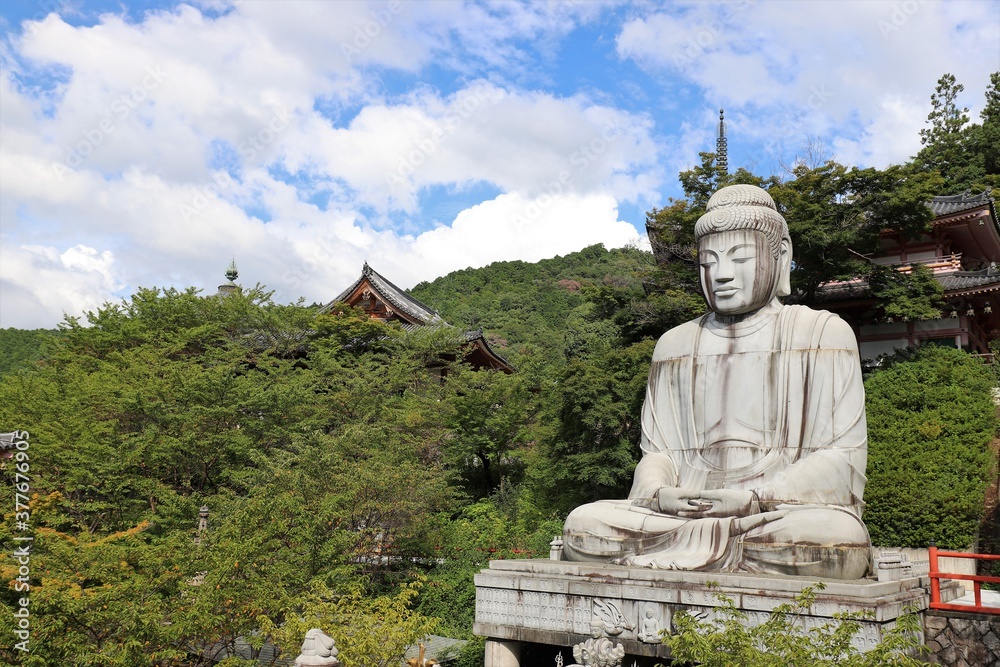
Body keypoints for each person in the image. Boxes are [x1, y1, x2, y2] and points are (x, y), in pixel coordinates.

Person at [562, 184, 871, 579]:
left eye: (739, 258)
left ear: (782, 256)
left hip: (772, 514)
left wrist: (755, 498)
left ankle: (698, 553)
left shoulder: (821, 333)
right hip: (678, 516)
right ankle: (715, 553)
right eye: (708, 262)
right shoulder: (674, 344)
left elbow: (840, 457)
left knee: (833, 538)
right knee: (584, 523)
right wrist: (660, 493)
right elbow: (658, 454)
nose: (721, 274)